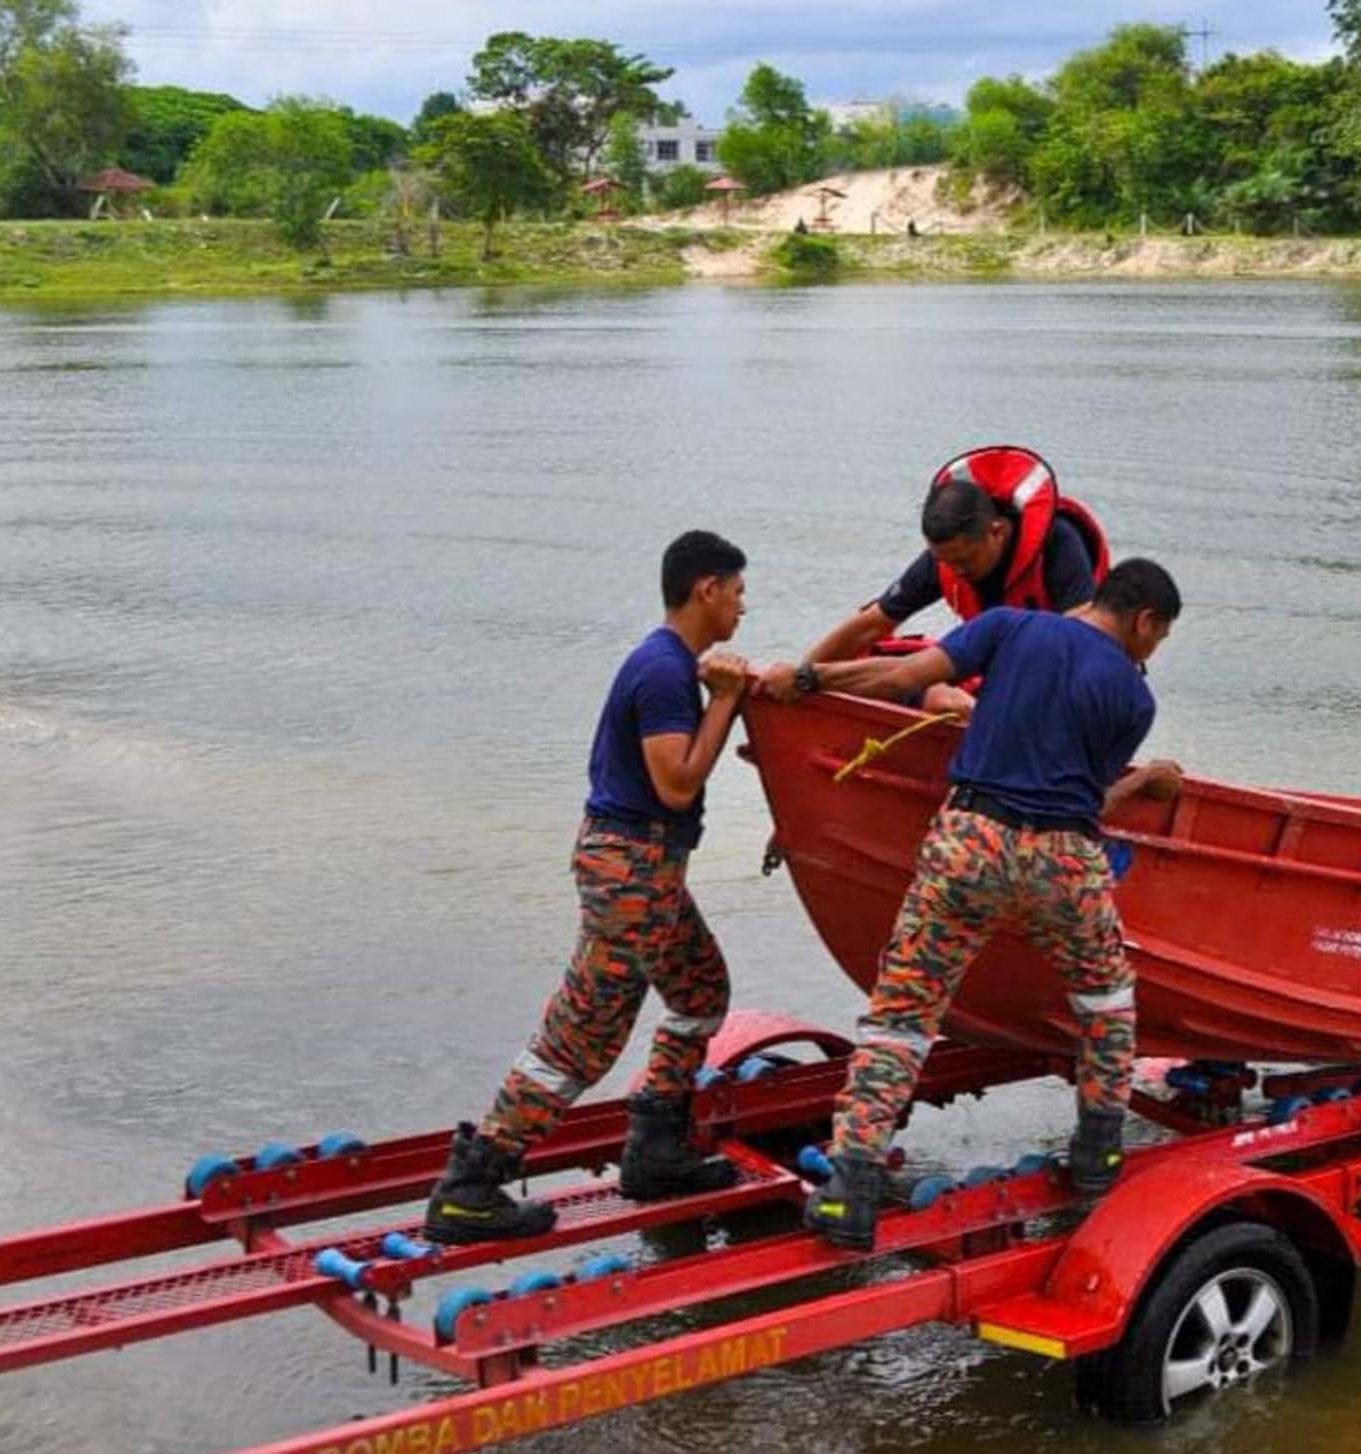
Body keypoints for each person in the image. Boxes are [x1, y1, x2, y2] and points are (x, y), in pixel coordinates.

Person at [756, 559, 1184, 1249]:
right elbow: (1086, 800)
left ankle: (852, 1186)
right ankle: (1098, 1153)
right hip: (1061, 858)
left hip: (970, 843)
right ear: (1144, 622)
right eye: (1158, 639)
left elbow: (899, 677)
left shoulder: (1009, 627)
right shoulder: (1134, 702)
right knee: (1105, 1003)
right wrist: (1149, 783)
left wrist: (808, 679)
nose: (1152, 652)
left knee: (903, 1012)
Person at [423, 531, 753, 1244]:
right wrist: (724, 698)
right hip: (632, 870)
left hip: (648, 870)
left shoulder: (672, 664)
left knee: (700, 991)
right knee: (580, 1039)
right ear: (706, 590)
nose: (742, 608)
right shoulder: (665, 670)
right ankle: (471, 1185)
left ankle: (656, 1148)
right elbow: (676, 783)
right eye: (737, 592)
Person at [802, 446, 1109, 715]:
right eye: (945, 561)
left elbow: (1082, 645)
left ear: (997, 531)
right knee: (866, 666)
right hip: (992, 667)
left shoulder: (1057, 544)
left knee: (937, 694)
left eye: (964, 560)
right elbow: (870, 625)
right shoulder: (946, 557)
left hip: (1058, 677)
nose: (956, 570)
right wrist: (800, 676)